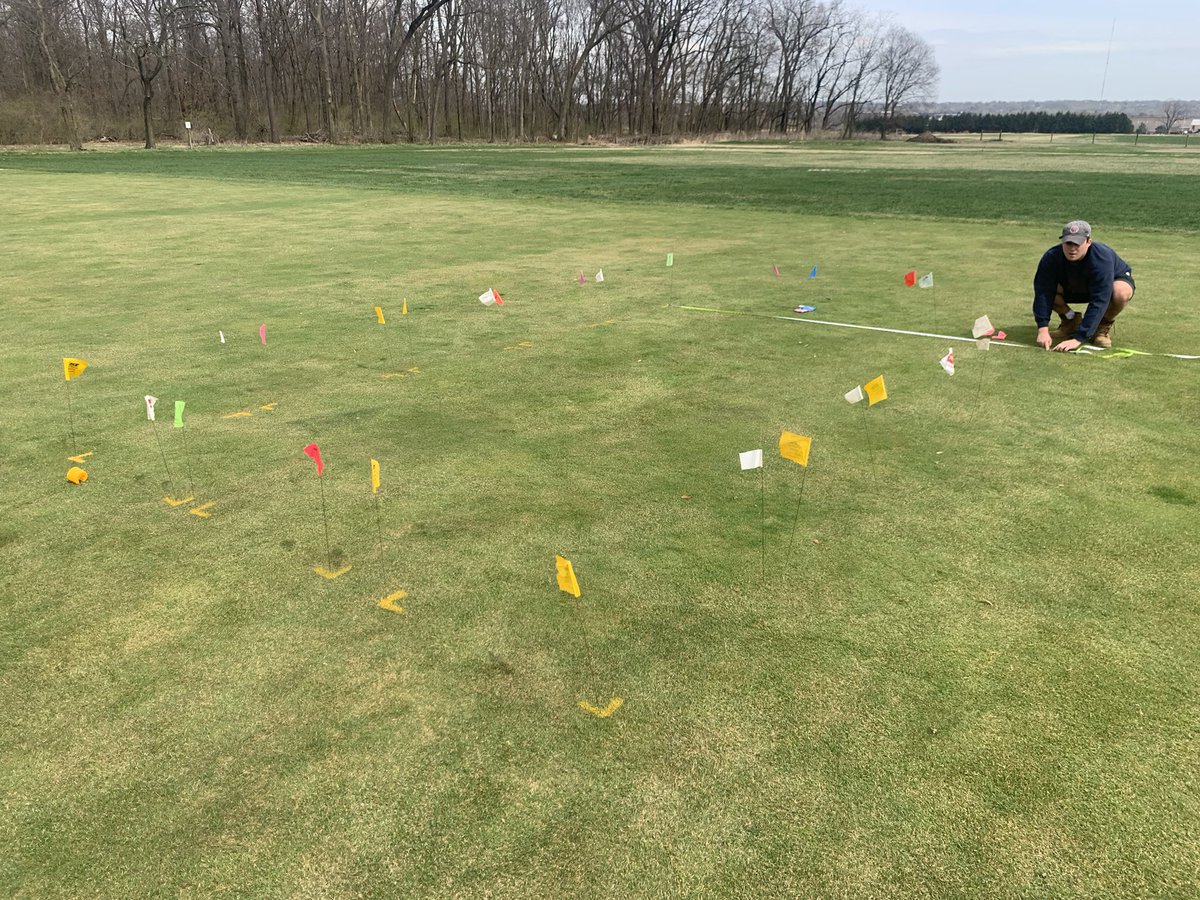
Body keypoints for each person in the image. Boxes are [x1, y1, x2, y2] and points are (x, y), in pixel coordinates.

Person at [1032, 220, 1135, 351]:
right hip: (1075, 285)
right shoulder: (1051, 257)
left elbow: (1100, 299)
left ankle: (1101, 327)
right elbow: (1043, 292)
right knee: (1051, 289)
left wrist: (1078, 338)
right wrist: (1042, 329)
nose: (1072, 248)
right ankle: (1070, 320)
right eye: (1068, 243)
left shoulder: (1102, 258)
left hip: (1107, 285)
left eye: (1077, 243)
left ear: (1088, 242)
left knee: (1120, 292)